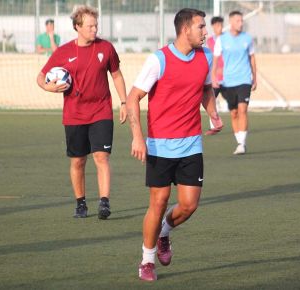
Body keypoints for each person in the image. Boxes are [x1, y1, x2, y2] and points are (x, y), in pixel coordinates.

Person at [127, 8, 223, 282]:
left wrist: (213, 114)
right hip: (159, 145)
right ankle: (147, 261)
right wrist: (137, 136)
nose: (206, 31)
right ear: (185, 30)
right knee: (158, 203)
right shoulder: (159, 60)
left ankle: (164, 233)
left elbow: (206, 89)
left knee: (189, 205)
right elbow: (134, 98)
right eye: (201, 27)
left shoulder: (205, 56)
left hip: (191, 144)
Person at [36, 5, 127, 219]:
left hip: (101, 111)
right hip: (74, 114)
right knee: (78, 160)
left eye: (96, 25)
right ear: (78, 27)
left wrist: (123, 102)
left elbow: (116, 75)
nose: (94, 29)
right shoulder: (64, 51)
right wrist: (48, 87)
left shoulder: (106, 48)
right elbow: (40, 77)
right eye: (90, 26)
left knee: (101, 156)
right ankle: (80, 203)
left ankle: (104, 202)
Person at [212, 10, 257, 155]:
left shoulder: (248, 39)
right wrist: (213, 77)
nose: (241, 23)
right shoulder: (222, 40)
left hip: (244, 80)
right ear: (231, 22)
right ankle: (239, 141)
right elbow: (216, 60)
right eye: (238, 21)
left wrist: (254, 77)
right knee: (234, 113)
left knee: (243, 110)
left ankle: (242, 144)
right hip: (228, 82)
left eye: (242, 21)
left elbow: (252, 58)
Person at [205, 16, 224, 136]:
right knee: (211, 100)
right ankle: (214, 126)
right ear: (213, 27)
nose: (219, 28)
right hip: (215, 77)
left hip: (228, 76)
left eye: (221, 25)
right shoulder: (210, 41)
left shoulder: (227, 39)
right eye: (217, 25)